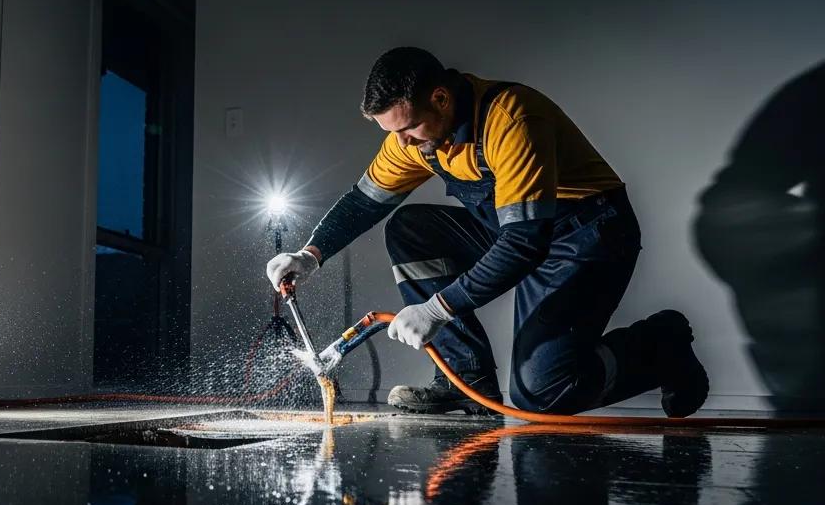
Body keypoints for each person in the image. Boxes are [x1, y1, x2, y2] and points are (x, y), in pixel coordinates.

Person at [265, 47, 708, 416]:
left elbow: (523, 244)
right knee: (411, 229)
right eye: (391, 133)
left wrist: (437, 309)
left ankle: (658, 346)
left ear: (440, 99)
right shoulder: (417, 136)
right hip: (522, 232)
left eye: (407, 130)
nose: (401, 144)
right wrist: (310, 254)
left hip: (587, 237)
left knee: (542, 394)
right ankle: (465, 378)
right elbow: (365, 202)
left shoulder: (511, 120)